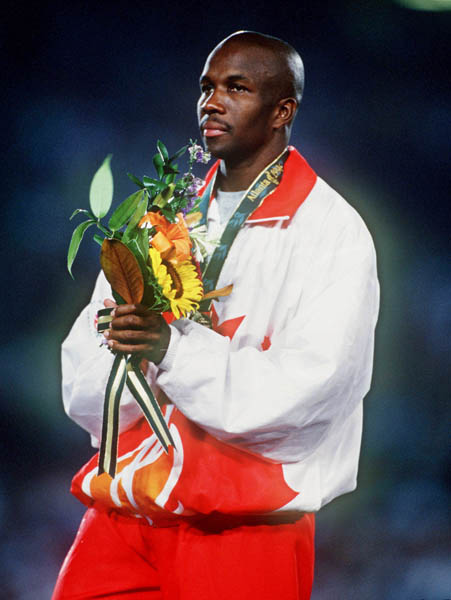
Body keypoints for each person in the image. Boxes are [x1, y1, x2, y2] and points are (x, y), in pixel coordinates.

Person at [53, 31, 379, 600]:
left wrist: (171, 351)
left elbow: (312, 391)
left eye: (237, 88)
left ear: (283, 110)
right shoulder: (159, 215)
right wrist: (126, 349)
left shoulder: (331, 232)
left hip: (244, 528)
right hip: (125, 513)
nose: (212, 101)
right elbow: (84, 373)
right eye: (206, 87)